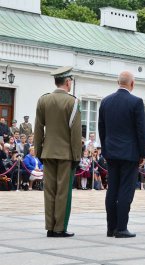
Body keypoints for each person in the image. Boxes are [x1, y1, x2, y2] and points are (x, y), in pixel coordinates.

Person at [98, 71, 145, 238]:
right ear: (132, 84)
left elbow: (101, 129)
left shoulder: (105, 102)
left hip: (111, 153)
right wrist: (143, 153)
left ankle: (110, 227)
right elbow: (141, 131)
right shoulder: (136, 102)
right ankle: (121, 228)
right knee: (126, 190)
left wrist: (105, 150)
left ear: (117, 82)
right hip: (130, 153)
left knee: (112, 189)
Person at [34, 66, 82, 237]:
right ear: (68, 82)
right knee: (63, 192)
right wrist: (77, 155)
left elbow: (38, 129)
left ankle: (49, 227)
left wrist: (39, 151)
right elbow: (75, 133)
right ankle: (59, 228)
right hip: (66, 154)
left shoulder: (43, 100)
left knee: (49, 191)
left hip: (47, 152)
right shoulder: (73, 102)